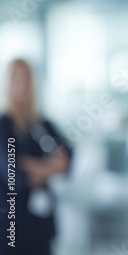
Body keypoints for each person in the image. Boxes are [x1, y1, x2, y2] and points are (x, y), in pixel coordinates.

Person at [0, 59, 72, 255]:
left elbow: (68, 162)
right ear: (8, 83)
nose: (23, 85)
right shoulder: (3, 126)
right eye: (17, 79)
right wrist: (52, 167)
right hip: (13, 227)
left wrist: (31, 165)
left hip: (42, 224)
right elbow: (16, 176)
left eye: (27, 79)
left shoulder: (43, 125)